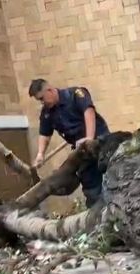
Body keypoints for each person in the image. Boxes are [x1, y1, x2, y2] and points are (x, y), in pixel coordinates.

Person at [29, 79, 110, 207]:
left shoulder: (75, 95)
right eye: (39, 100)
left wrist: (89, 138)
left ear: (49, 90)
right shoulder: (47, 113)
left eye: (42, 98)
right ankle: (97, 211)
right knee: (90, 184)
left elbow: (88, 112)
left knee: (108, 174)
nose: (42, 102)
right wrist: (40, 154)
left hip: (99, 141)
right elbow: (44, 134)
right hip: (81, 151)